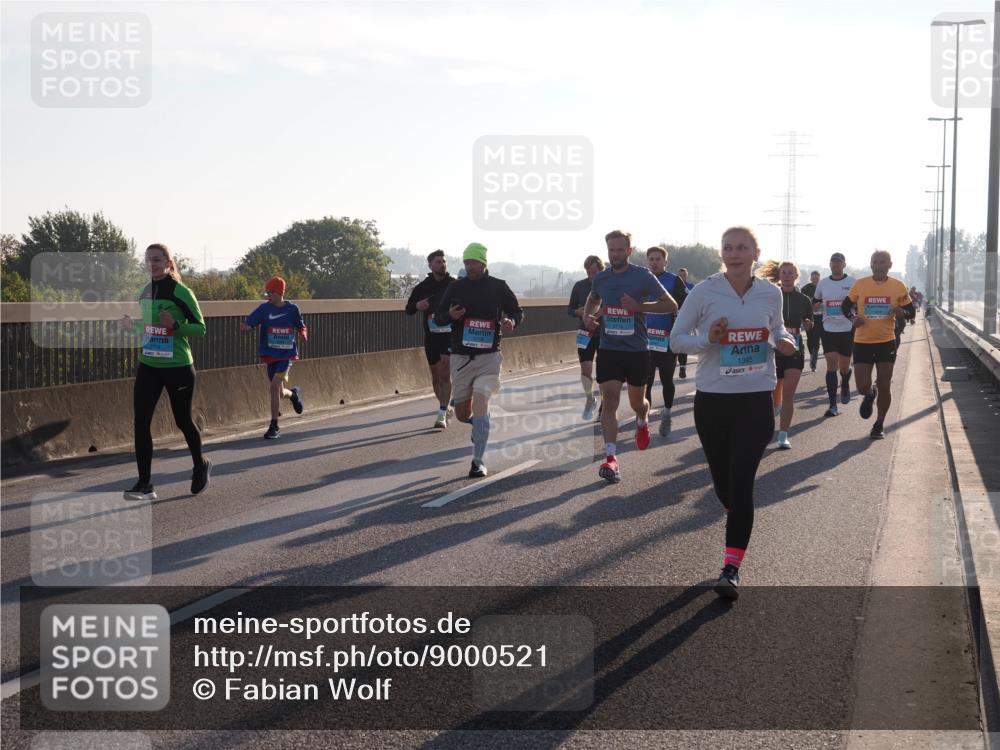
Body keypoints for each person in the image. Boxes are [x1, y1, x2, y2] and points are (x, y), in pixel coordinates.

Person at [671, 227, 797, 599]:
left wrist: (785, 340)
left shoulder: (770, 292)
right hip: (713, 401)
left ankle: (731, 568)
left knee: (742, 484)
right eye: (728, 247)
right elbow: (676, 339)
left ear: (755, 253)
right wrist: (709, 338)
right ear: (721, 253)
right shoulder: (704, 292)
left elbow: (776, 330)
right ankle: (736, 513)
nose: (734, 253)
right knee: (723, 485)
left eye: (742, 247)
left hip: (757, 399)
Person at [582, 230, 678, 483]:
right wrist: (587, 316)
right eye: (611, 250)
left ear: (629, 251)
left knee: (638, 402)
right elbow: (593, 299)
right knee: (610, 400)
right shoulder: (601, 278)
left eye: (619, 250)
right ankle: (611, 459)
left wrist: (639, 307)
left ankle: (642, 419)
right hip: (609, 348)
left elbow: (670, 305)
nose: (615, 254)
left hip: (636, 350)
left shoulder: (642, 276)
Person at [120, 243, 211, 501]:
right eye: (148, 260)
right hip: (149, 365)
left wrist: (176, 325)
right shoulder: (143, 292)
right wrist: (131, 327)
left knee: (183, 421)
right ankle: (145, 484)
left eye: (157, 259)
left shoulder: (181, 292)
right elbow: (147, 329)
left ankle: (200, 465)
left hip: (178, 367)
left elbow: (200, 328)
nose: (152, 264)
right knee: (141, 422)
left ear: (169, 263)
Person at [435, 243, 523, 478]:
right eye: (466, 263)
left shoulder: (498, 287)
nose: (469, 266)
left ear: (483, 263)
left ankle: (478, 461)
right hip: (462, 357)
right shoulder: (456, 288)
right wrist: (449, 316)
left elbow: (517, 311)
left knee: (481, 403)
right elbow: (439, 317)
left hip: (489, 357)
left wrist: (512, 322)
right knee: (464, 414)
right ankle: (479, 424)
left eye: (473, 262)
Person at [842, 251, 915, 439]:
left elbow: (911, 311)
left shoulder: (898, 286)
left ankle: (879, 423)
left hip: (886, 341)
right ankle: (869, 393)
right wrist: (853, 318)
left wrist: (902, 313)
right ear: (871, 264)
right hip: (863, 341)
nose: (879, 265)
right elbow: (845, 306)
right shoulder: (861, 284)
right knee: (862, 386)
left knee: (885, 383)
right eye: (875, 262)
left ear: (889, 265)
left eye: (883, 262)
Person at [240, 276, 307, 439]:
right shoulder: (264, 309)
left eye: (270, 292)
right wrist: (246, 326)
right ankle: (293, 394)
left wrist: (303, 333)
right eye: (267, 292)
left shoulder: (292, 309)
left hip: (286, 354)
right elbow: (250, 322)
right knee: (280, 392)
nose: (268, 295)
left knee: (273, 387)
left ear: (279, 292)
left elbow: (301, 325)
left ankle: (274, 426)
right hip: (270, 355)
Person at [756, 260, 813, 449]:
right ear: (779, 275)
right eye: (784, 272)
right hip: (772, 350)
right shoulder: (770, 296)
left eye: (791, 273)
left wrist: (808, 324)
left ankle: (783, 435)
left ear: (797, 276)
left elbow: (809, 320)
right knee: (771, 396)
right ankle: (769, 424)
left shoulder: (804, 299)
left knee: (789, 394)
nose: (787, 276)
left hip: (794, 351)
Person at [405, 250, 456, 428]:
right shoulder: (423, 287)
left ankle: (442, 412)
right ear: (430, 265)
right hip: (431, 336)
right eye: (438, 262)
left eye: (444, 261)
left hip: (449, 335)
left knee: (444, 372)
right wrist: (418, 305)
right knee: (435, 376)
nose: (442, 264)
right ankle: (445, 406)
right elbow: (409, 309)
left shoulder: (454, 284)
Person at [643, 247, 688, 437]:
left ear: (665, 262)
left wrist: (678, 328)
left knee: (666, 379)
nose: (654, 262)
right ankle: (644, 421)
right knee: (646, 381)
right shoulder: (642, 279)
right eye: (651, 259)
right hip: (645, 339)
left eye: (658, 259)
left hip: (666, 339)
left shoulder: (674, 280)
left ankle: (667, 413)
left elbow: (686, 305)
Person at [813, 252, 856, 417]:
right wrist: (815, 306)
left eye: (839, 262)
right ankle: (832, 405)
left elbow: (858, 303)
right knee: (831, 364)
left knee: (844, 367)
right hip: (828, 328)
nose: (836, 265)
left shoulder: (852, 282)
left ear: (844, 264)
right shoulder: (823, 283)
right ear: (830, 264)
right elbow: (815, 300)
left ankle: (844, 382)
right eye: (833, 262)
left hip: (846, 329)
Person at [568, 255, 605, 420]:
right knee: (586, 371)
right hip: (585, 334)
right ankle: (590, 399)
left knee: (604, 373)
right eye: (589, 273)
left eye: (595, 273)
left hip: (604, 333)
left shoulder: (608, 285)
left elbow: (613, 306)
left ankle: (605, 406)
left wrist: (596, 313)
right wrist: (579, 312)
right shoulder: (579, 286)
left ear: (601, 271)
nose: (592, 276)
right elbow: (570, 309)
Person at [799, 270, 823, 371]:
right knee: (810, 339)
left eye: (817, 279)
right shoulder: (805, 289)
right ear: (810, 278)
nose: (815, 280)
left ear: (819, 278)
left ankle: (813, 363)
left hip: (821, 317)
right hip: (809, 317)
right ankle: (813, 356)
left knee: (816, 340)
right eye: (813, 278)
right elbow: (801, 304)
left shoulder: (823, 287)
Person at [676, 267, 695, 379]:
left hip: (686, 319)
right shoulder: (673, 286)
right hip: (673, 317)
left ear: (686, 276)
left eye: (683, 275)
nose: (681, 278)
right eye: (679, 276)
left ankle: (682, 367)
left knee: (683, 343)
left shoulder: (691, 287)